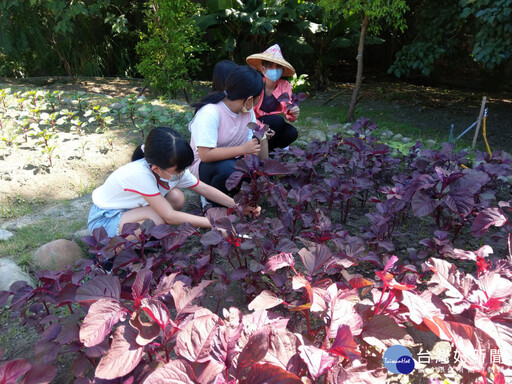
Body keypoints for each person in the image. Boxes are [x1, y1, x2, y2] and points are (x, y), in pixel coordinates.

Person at [87, 126, 259, 238]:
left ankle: (145, 237)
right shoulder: (139, 174)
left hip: (132, 210)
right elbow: (169, 215)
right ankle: (113, 253)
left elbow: (204, 189)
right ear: (156, 169)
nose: (182, 174)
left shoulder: (171, 167)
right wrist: (213, 224)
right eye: (179, 171)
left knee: (176, 197)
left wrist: (238, 205)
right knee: (157, 220)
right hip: (104, 221)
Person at [189, 65, 269, 197]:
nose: (258, 101)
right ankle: (210, 199)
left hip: (231, 161)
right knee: (229, 170)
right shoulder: (211, 112)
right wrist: (243, 149)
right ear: (249, 99)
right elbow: (205, 155)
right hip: (203, 167)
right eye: (258, 97)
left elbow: (253, 143)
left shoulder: (248, 112)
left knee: (246, 172)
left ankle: (230, 195)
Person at [246, 44, 299, 151]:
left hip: (272, 125)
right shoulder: (256, 84)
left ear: (283, 70)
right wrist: (260, 126)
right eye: (270, 66)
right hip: (254, 123)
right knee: (277, 120)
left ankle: (268, 148)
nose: (274, 69)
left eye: (278, 66)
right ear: (263, 69)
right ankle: (262, 148)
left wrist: (293, 111)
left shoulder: (285, 86)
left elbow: (289, 113)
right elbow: (248, 113)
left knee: (292, 132)